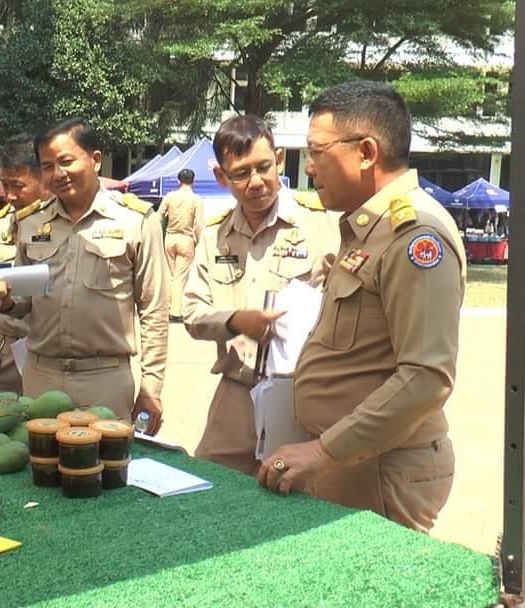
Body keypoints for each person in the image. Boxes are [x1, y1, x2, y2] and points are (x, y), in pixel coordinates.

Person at [258, 81, 466, 533]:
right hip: (352, 461)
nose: (308, 166)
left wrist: (323, 451)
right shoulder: (369, 230)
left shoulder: (414, 236)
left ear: (367, 152)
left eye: (318, 152)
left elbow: (426, 377)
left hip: (379, 467)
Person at [0, 118, 169, 427]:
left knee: (105, 458)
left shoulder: (135, 221)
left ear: (95, 159)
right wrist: (6, 302)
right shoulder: (30, 223)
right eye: (47, 166)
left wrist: (152, 387)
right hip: (41, 375)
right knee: (37, 456)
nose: (58, 173)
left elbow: (154, 309)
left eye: (66, 161)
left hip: (105, 379)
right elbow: (26, 300)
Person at [182, 115, 337, 475]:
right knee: (211, 485)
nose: (255, 182)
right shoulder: (215, 235)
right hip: (235, 392)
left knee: (292, 491)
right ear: (221, 177)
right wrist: (236, 321)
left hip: (297, 394)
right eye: (240, 173)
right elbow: (191, 311)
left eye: (263, 167)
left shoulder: (321, 223)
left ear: (279, 160)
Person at [0, 134, 47, 391]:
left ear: (44, 178)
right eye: (5, 185)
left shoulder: (62, 228)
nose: (10, 195)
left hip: (42, 351)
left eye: (18, 185)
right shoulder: (0, 224)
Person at [160, 168, 204, 322]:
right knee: (180, 277)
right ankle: (176, 312)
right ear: (193, 181)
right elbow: (198, 224)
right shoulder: (196, 199)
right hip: (186, 238)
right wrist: (199, 242)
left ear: (178, 181)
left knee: (170, 275)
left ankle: (166, 308)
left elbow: (159, 216)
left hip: (169, 237)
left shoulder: (169, 196)